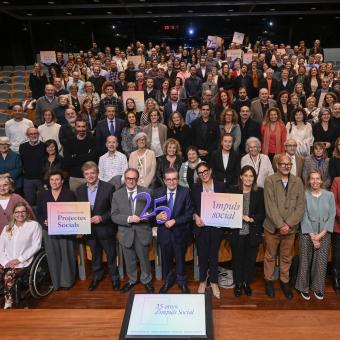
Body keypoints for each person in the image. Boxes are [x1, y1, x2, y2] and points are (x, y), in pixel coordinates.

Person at [263, 154, 305, 299]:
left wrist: (288, 224)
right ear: (277, 165)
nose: (286, 166)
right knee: (270, 256)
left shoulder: (298, 181)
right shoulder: (270, 180)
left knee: (286, 257)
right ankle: (268, 281)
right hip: (272, 228)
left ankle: (284, 281)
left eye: (288, 164)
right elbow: (270, 206)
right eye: (283, 164)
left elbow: (300, 206)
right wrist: (280, 225)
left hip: (291, 229)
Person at [75, 162, 119, 291]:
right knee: (95, 256)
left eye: (92, 173)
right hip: (89, 230)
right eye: (87, 174)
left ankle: (114, 278)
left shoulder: (109, 187)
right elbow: (78, 210)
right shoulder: (80, 190)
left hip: (105, 229)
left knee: (111, 255)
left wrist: (101, 217)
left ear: (97, 173)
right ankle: (97, 277)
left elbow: (114, 209)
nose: (90, 176)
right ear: (84, 175)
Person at [111, 168, 154, 293]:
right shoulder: (116, 195)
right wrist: (129, 218)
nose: (131, 181)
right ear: (125, 179)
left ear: (137, 179)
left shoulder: (147, 192)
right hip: (126, 233)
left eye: (134, 178)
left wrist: (146, 215)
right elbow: (114, 215)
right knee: (129, 260)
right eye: (128, 178)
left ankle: (146, 280)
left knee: (144, 259)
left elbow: (152, 211)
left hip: (142, 231)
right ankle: (132, 279)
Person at [295, 170, 335, 300]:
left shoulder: (329, 196)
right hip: (307, 233)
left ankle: (317, 287)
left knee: (321, 262)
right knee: (305, 261)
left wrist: (320, 235)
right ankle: (303, 287)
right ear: (309, 181)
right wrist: (313, 236)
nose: (315, 181)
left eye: (318, 178)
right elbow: (303, 215)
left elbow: (332, 216)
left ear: (322, 180)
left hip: (324, 234)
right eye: (312, 179)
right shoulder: (304, 195)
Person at [155, 168, 194, 294]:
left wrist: (175, 221)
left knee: (180, 259)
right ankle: (168, 281)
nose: (171, 182)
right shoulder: (158, 192)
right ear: (165, 181)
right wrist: (157, 217)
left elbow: (189, 214)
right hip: (164, 234)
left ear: (177, 179)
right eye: (169, 180)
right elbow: (152, 213)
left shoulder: (185, 192)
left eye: (174, 179)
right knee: (166, 260)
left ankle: (182, 283)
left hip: (180, 233)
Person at [228, 165, 265, 297]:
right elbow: (226, 212)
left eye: (251, 176)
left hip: (252, 231)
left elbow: (262, 214)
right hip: (236, 232)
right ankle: (238, 284)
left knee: (250, 260)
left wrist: (251, 218)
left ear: (254, 178)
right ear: (241, 177)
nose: (248, 178)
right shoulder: (232, 191)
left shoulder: (259, 192)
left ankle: (246, 283)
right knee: (237, 260)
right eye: (246, 175)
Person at [36, 170, 76, 291]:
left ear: (62, 181)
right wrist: (44, 221)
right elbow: (39, 213)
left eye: (57, 179)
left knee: (66, 255)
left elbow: (74, 211)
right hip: (49, 230)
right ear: (49, 181)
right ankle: (56, 283)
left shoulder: (69, 194)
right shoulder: (42, 194)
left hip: (66, 231)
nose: (54, 182)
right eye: (52, 180)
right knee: (53, 256)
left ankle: (67, 282)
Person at [191, 162, 225, 298]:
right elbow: (191, 207)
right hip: (201, 227)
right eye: (200, 173)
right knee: (203, 255)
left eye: (205, 171)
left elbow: (225, 205)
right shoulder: (195, 188)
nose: (203, 174)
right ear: (198, 175)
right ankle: (203, 281)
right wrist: (195, 217)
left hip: (216, 228)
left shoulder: (221, 186)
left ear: (210, 171)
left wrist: (222, 221)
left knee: (213, 255)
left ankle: (215, 282)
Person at [0, 202, 42, 309]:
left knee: (9, 274)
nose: (20, 214)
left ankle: (9, 300)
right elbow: (1, 247)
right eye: (17, 212)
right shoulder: (7, 228)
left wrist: (19, 259)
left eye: (23, 211)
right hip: (6, 261)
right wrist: (5, 262)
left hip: (23, 262)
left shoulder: (33, 225)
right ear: (13, 214)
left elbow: (36, 246)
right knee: (6, 271)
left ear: (27, 212)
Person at [63, 119, 98, 192]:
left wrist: (75, 156)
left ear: (86, 128)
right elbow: (67, 161)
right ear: (75, 127)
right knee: (76, 202)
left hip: (90, 177)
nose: (81, 129)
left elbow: (93, 158)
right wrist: (87, 156)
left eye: (83, 127)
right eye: (79, 126)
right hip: (74, 178)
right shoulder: (68, 142)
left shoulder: (93, 140)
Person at [19, 128, 45, 207]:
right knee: (30, 202)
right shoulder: (22, 146)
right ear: (27, 135)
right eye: (31, 134)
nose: (33, 135)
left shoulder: (44, 146)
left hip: (42, 179)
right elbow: (22, 162)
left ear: (38, 134)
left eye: (35, 133)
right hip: (28, 179)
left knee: (43, 200)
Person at [331, 177, 340, 293]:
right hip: (338, 224)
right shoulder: (337, 181)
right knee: (338, 253)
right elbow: (333, 201)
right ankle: (336, 278)